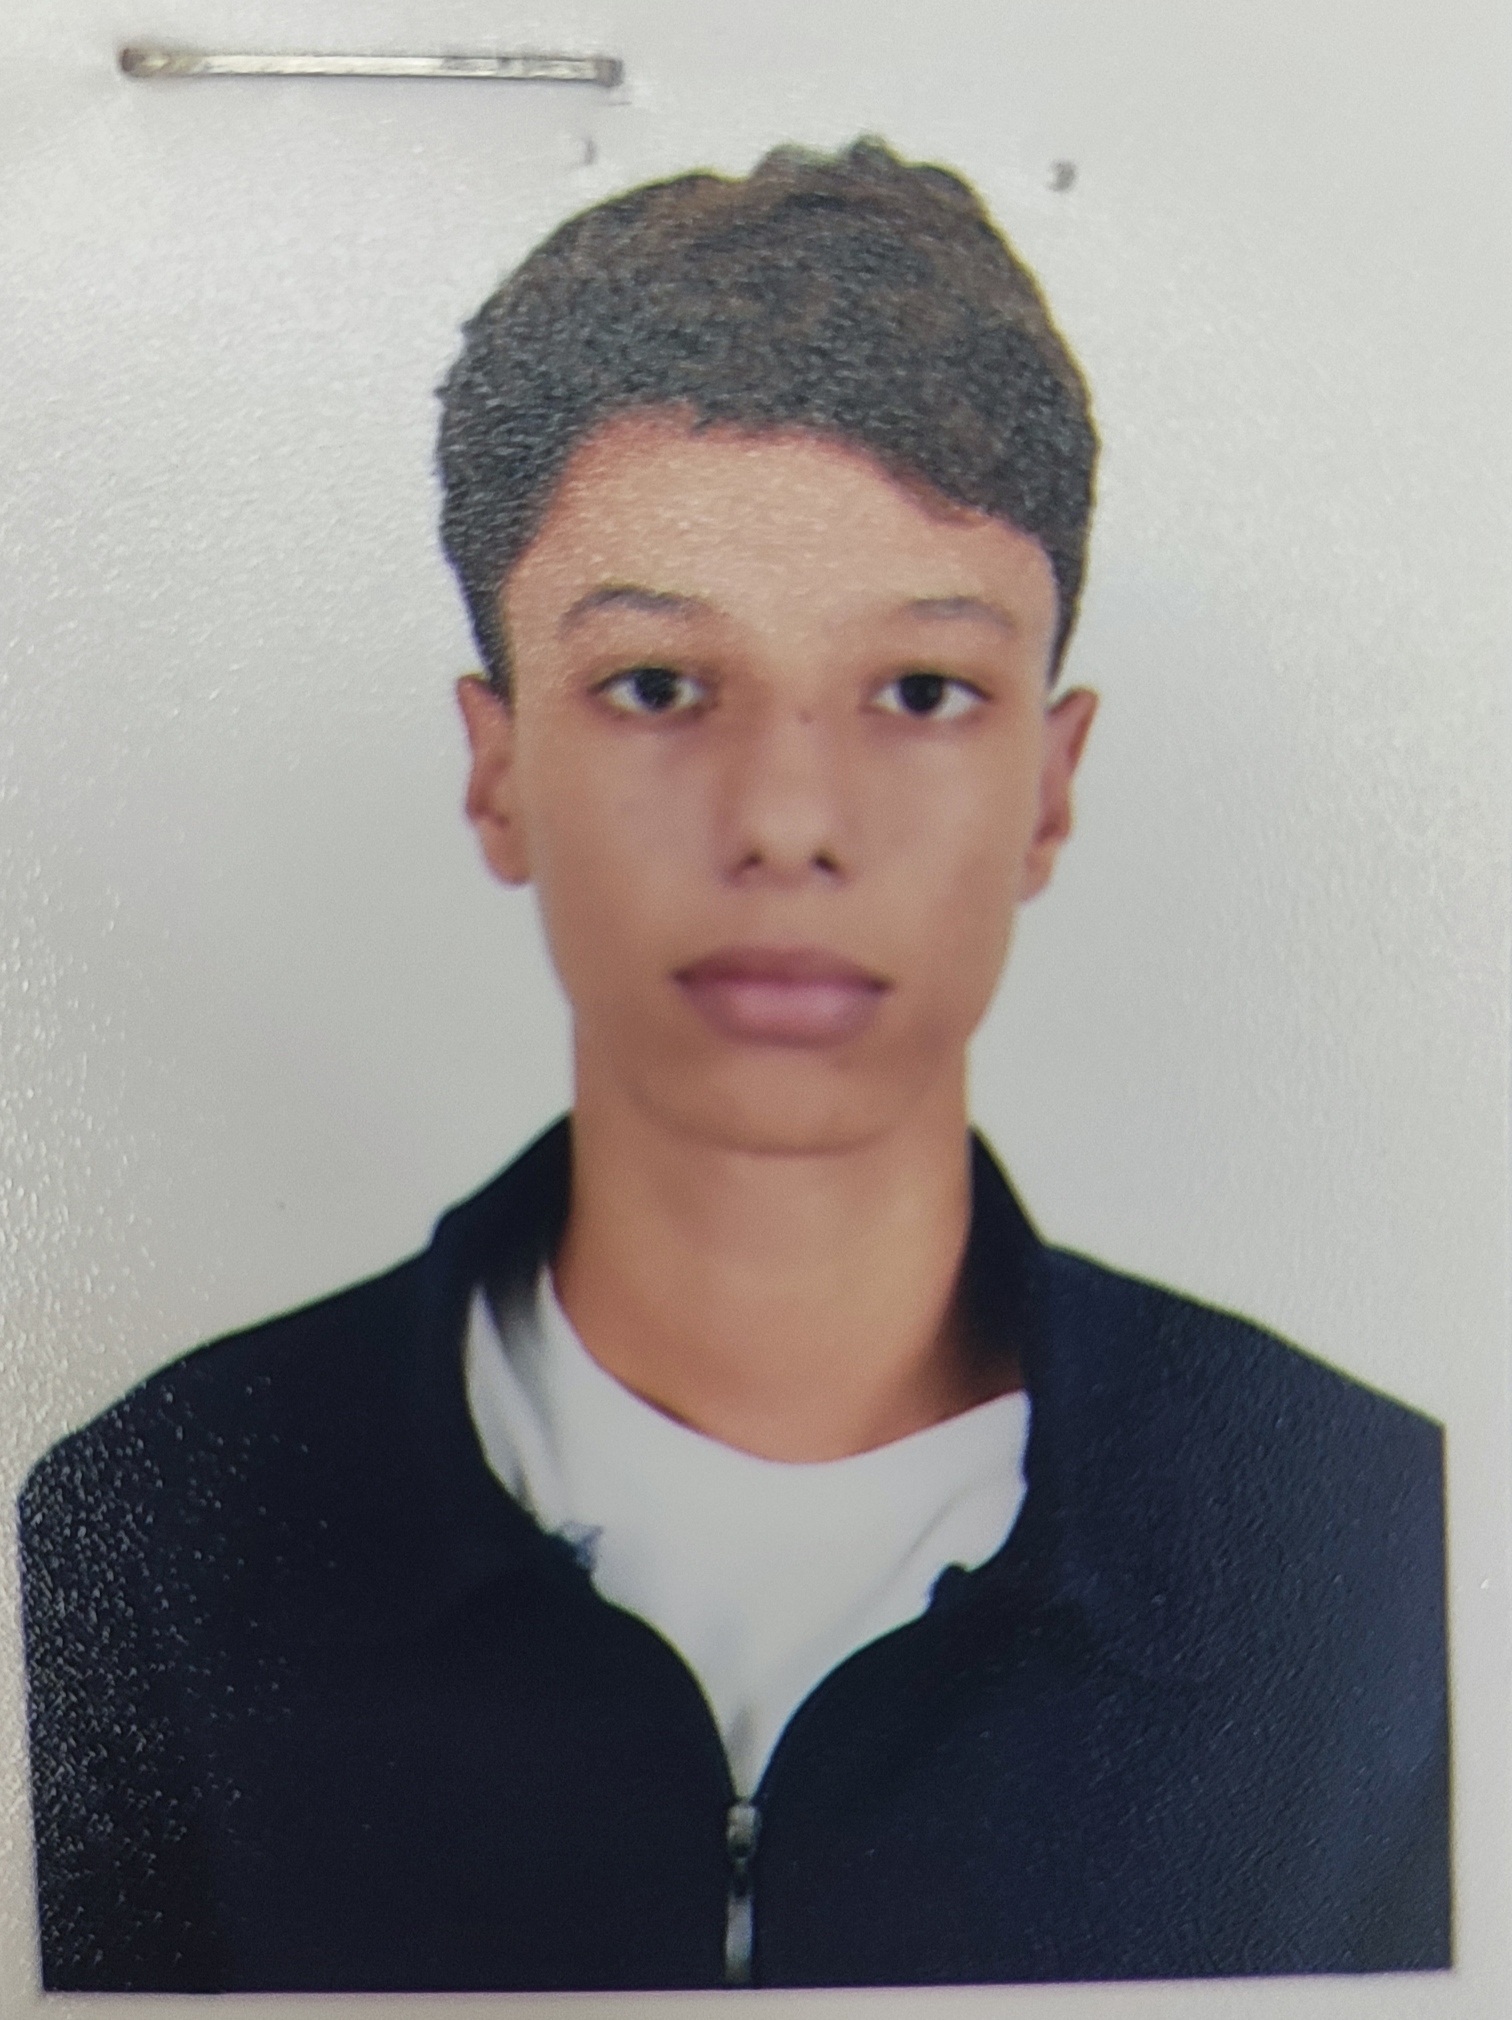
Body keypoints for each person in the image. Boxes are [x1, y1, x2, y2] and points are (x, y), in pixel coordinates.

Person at [19, 138, 1448, 1993]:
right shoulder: (150, 1535)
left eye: (922, 691)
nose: (785, 818)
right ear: (499, 766)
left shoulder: (1380, 1554)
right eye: (657, 686)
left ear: (1050, 784)